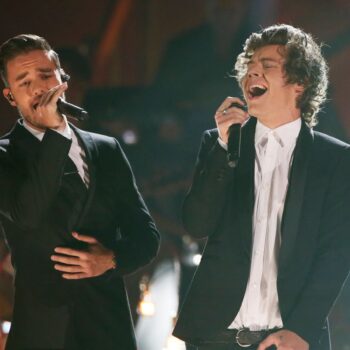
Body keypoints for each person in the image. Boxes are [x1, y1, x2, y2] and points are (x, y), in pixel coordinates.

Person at [173, 24, 350, 350]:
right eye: (249, 67)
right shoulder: (220, 144)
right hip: (214, 337)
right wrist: (225, 150)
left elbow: (337, 253)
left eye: (266, 66)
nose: (252, 74)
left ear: (300, 82)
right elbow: (196, 224)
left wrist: (302, 330)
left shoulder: (336, 160)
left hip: (289, 339)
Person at [0, 34, 160, 350]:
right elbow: (27, 213)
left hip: (108, 327)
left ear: (64, 80)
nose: (38, 88)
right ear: (10, 97)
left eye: (45, 75)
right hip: (42, 332)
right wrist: (57, 135)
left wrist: (112, 259)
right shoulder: (5, 155)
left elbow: (146, 235)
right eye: (24, 82)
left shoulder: (106, 149)